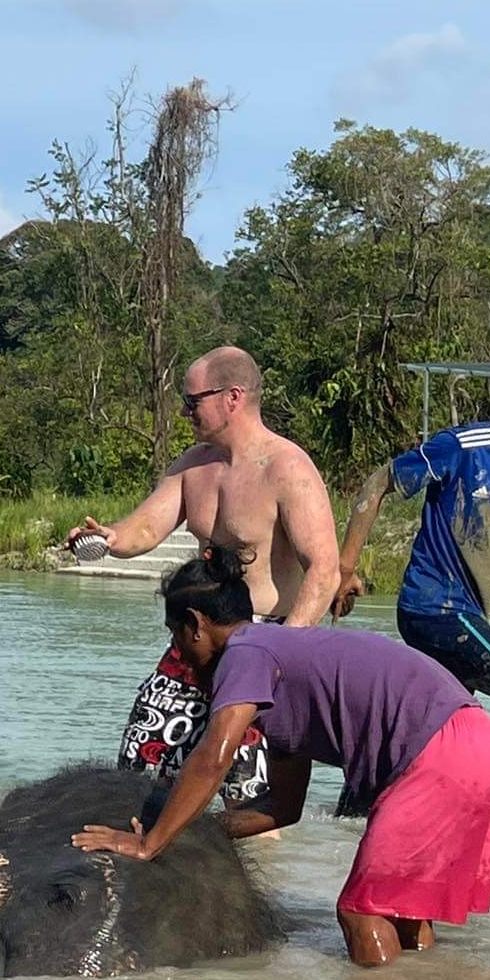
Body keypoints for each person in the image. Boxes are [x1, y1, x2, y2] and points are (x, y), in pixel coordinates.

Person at [72, 547, 490, 968]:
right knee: (402, 912)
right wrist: (191, 832)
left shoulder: (246, 653)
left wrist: (150, 844)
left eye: (175, 637)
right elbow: (281, 810)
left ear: (195, 625)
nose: (181, 656)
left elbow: (215, 755)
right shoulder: (282, 666)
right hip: (482, 749)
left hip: (438, 755)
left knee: (361, 911)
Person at [67, 346, 339, 807]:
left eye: (193, 401)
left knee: (250, 794)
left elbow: (325, 573)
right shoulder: (194, 464)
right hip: (195, 640)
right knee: (138, 765)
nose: (185, 410)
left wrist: (282, 654)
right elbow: (148, 527)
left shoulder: (288, 468)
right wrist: (108, 538)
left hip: (263, 641)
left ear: (232, 397)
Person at [333, 354, 490, 824]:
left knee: (420, 725)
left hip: (470, 616)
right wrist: (344, 568)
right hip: (432, 608)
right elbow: (379, 482)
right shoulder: (464, 448)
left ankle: (348, 817)